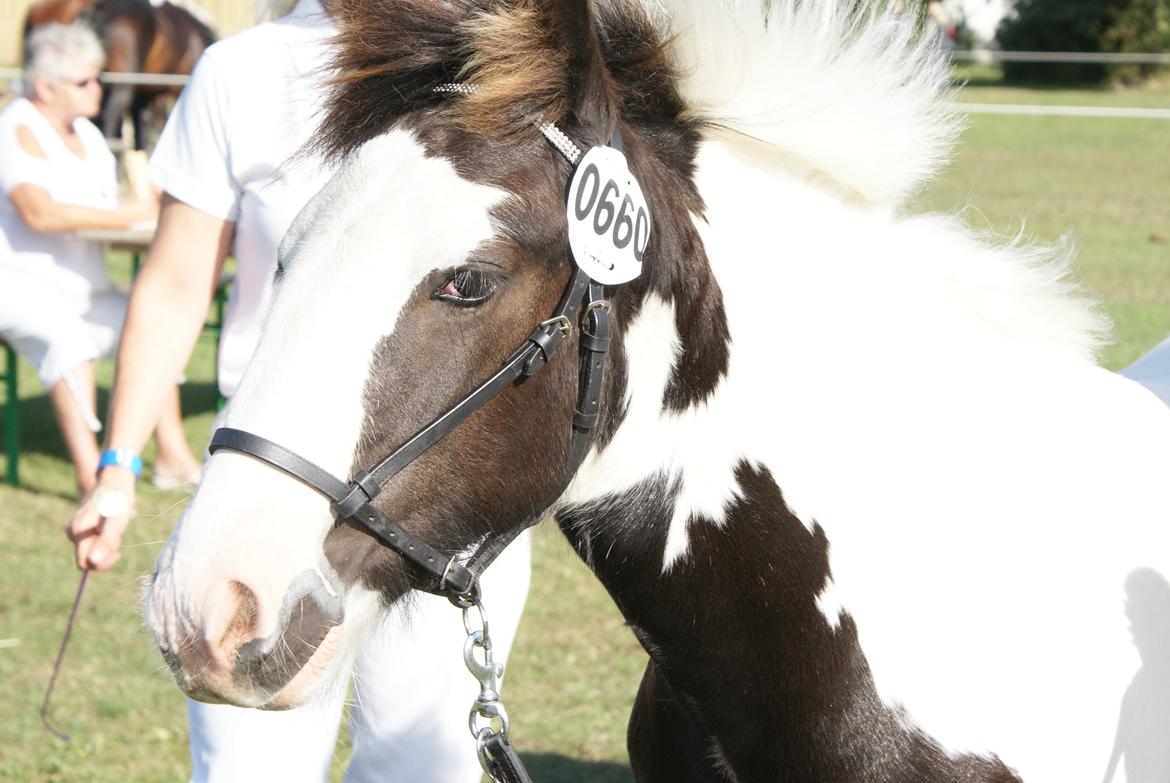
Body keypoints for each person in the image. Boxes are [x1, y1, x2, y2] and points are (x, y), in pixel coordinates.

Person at [65, 2, 532, 780]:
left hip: (436, 498)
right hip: (267, 487)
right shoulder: (242, 73)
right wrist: (117, 464)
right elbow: (178, 286)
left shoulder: (495, 68)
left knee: (420, 769)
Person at [0, 22, 202, 495]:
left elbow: (105, 202)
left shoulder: (88, 134)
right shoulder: (14, 129)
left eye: (99, 79)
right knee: (68, 338)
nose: (99, 89)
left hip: (85, 288)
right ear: (46, 86)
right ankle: (90, 475)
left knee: (153, 328)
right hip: (18, 285)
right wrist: (130, 212)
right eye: (85, 81)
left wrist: (141, 201)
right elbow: (39, 212)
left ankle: (171, 455)